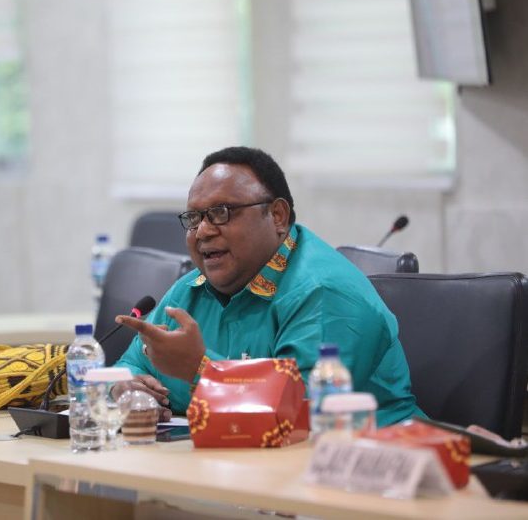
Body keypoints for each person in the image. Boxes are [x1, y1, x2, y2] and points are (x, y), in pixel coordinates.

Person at [115, 146, 423, 427]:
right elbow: (130, 364)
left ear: (277, 216)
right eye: (194, 218)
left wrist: (199, 369)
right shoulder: (191, 290)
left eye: (221, 213)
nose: (203, 231)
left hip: (365, 460)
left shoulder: (323, 292)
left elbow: (299, 413)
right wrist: (124, 388)